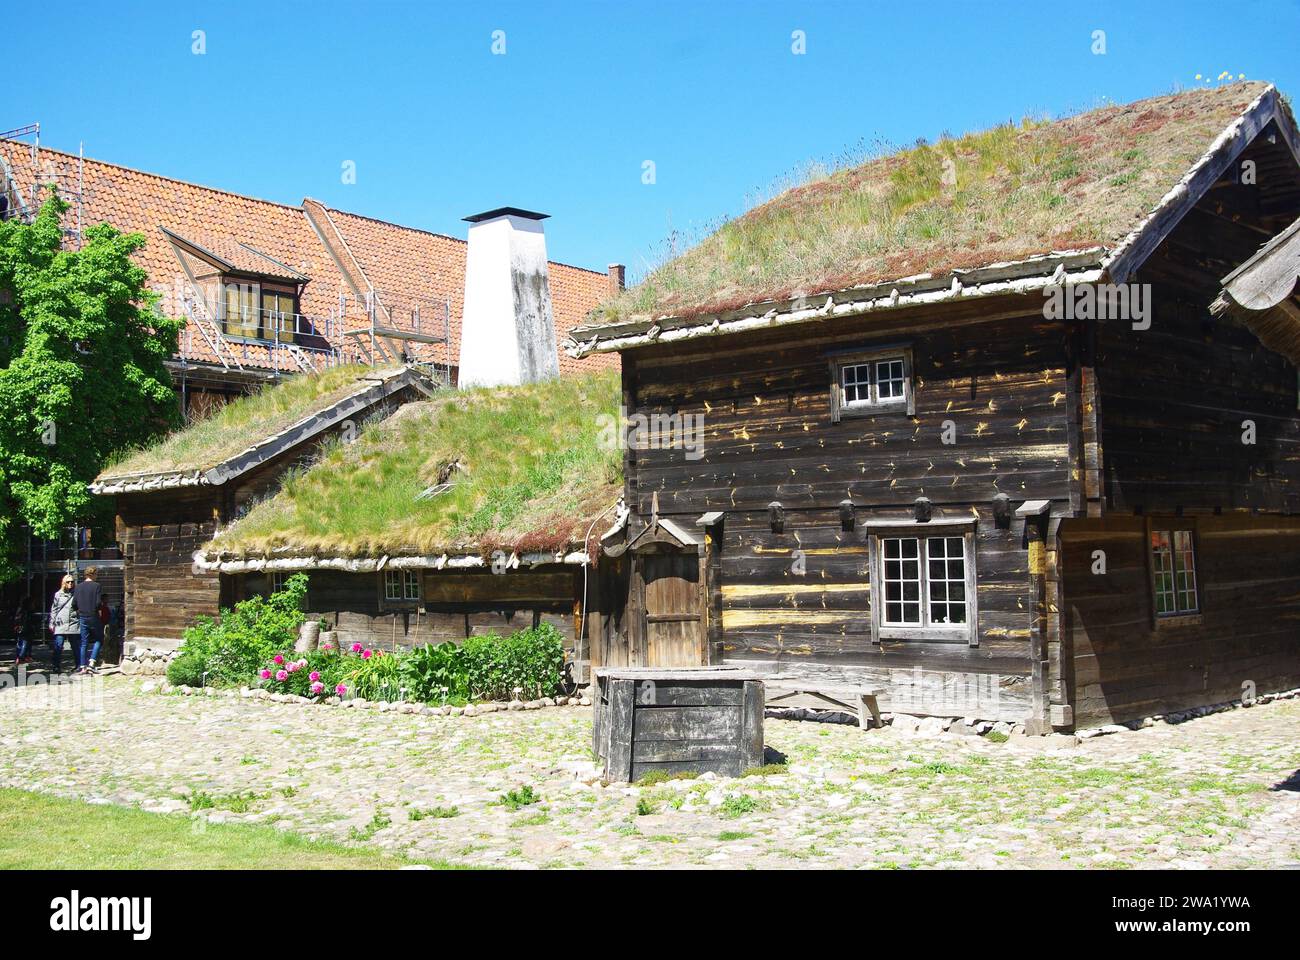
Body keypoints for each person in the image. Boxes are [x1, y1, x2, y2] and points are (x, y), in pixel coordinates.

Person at [73, 567, 104, 674]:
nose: (97, 576)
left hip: (82, 616)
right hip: (93, 615)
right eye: (97, 574)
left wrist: (79, 611)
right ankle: (92, 663)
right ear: (93, 574)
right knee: (99, 639)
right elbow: (98, 603)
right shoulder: (97, 586)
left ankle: (82, 666)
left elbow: (74, 603)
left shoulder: (78, 587)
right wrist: (99, 611)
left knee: (83, 642)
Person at [49, 575, 79, 674]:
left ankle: (78, 665)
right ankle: (56, 666)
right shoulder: (58, 594)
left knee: (75, 646)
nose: (70, 583)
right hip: (60, 623)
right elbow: (54, 609)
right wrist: (51, 622)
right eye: (68, 582)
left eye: (72, 582)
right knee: (58, 646)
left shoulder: (76, 594)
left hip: (73, 623)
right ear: (64, 583)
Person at [11, 597, 32, 665]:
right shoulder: (27, 611)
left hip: (20, 628)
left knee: (19, 643)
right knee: (24, 643)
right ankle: (20, 657)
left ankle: (19, 656)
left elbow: (16, 619)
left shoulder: (20, 609)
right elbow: (26, 620)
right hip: (24, 628)